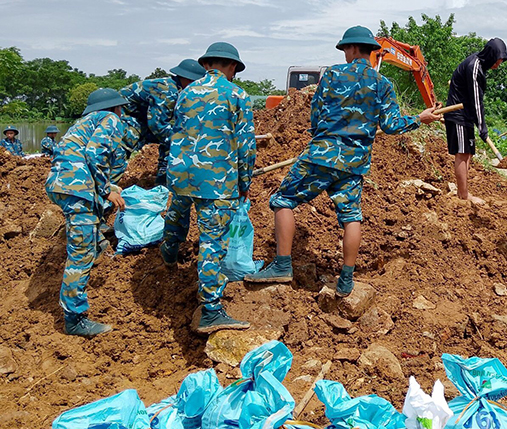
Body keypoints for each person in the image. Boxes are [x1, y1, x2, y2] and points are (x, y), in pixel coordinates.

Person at [245, 26, 442, 296]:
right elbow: (393, 125)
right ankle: (346, 279)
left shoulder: (333, 74)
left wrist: (319, 135)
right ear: (371, 51)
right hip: (354, 162)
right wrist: (420, 118)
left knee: (283, 201)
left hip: (321, 155)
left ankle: (281, 266)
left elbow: (316, 114)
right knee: (351, 217)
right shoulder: (383, 84)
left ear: (350, 48)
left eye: (346, 49)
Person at [161, 43, 255, 334]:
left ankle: (169, 249)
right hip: (216, 182)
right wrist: (244, 183)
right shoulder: (237, 95)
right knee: (212, 242)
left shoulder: (185, 93)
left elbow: (173, 132)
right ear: (231, 67)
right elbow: (245, 146)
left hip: (180, 174)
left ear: (206, 65)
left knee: (177, 214)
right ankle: (211, 310)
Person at [44, 88, 129, 336]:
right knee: (80, 254)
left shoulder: (83, 123)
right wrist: (105, 191)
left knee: (87, 242)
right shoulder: (110, 119)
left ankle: (98, 239)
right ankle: (74, 319)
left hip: (65, 185)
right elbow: (95, 153)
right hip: (77, 188)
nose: (121, 113)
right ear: (114, 107)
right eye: (120, 108)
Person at [119, 59, 206, 185]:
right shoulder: (167, 91)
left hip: (141, 115)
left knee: (173, 135)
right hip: (125, 114)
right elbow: (157, 125)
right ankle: (108, 181)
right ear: (189, 80)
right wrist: (180, 142)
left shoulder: (178, 90)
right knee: (130, 139)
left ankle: (163, 177)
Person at [443, 38, 507, 204]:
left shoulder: (479, 65)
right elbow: (476, 99)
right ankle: (463, 196)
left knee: (468, 154)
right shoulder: (474, 67)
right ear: (490, 55)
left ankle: (463, 193)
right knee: (462, 154)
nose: (497, 65)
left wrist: (479, 124)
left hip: (466, 115)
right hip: (457, 114)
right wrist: (482, 126)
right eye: (497, 61)